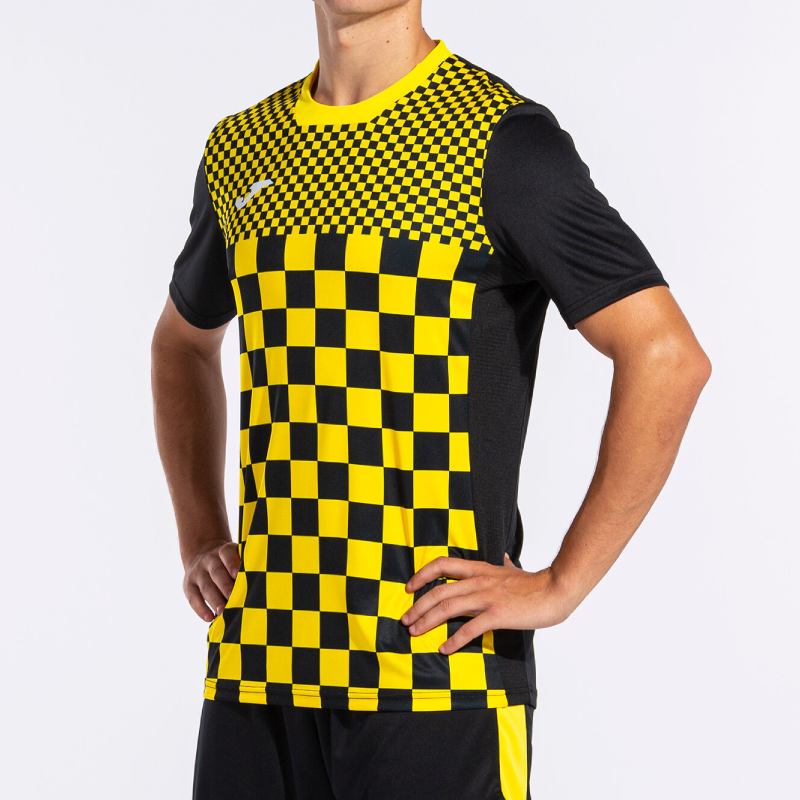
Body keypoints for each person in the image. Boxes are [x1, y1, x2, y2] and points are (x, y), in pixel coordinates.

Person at [151, 1, 711, 798]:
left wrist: (562, 584)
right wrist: (201, 533)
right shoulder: (242, 150)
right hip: (259, 669)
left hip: (437, 677)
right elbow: (181, 343)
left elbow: (667, 356)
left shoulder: (498, 142)